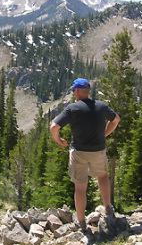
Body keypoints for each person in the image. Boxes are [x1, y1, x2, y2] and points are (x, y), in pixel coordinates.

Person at [50, 78, 120, 232]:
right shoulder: (101, 106)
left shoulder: (73, 108)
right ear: (87, 91)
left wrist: (59, 141)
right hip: (98, 150)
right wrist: (104, 134)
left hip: (79, 152)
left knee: (80, 187)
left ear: (76, 91)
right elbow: (116, 120)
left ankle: (81, 223)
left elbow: (54, 126)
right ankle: (108, 208)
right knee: (102, 176)